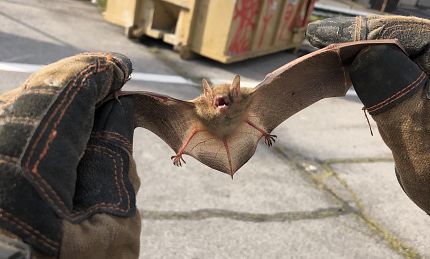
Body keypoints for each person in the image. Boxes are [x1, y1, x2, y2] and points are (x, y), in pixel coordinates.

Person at [0, 15, 428, 258]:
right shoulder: (189, 112)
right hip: (199, 134)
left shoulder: (253, 103)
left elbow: (253, 105)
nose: (223, 103)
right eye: (217, 100)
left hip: (243, 128)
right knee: (122, 106)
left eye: (229, 99)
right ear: (206, 98)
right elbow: (194, 115)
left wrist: (258, 125)